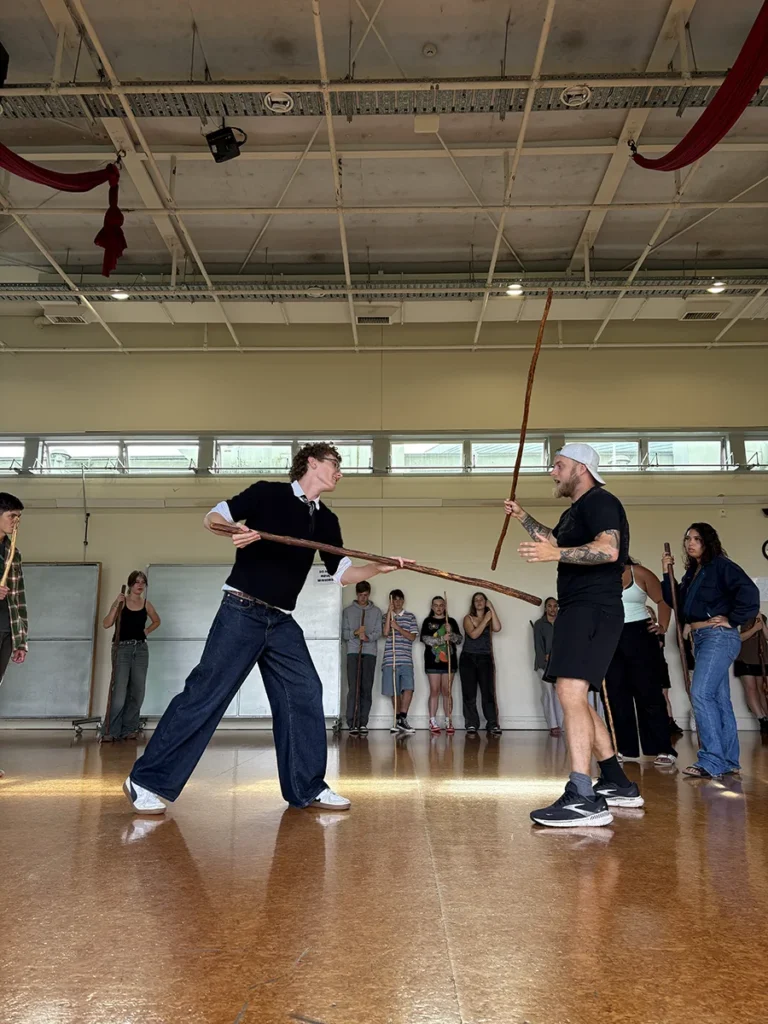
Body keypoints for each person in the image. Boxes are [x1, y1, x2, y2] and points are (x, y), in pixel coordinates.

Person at [123, 443, 409, 815]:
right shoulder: (267, 494)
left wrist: (377, 569)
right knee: (206, 694)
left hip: (280, 621)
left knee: (305, 690)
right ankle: (145, 780)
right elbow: (212, 517)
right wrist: (233, 530)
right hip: (241, 611)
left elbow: (342, 573)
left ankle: (306, 787)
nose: (340, 472)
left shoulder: (326, 520)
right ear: (311, 463)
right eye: (335, 464)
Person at [508, 443, 641, 828]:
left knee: (569, 692)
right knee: (574, 696)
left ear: (581, 468)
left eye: (558, 465)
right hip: (578, 609)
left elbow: (608, 550)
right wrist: (522, 517)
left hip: (593, 607)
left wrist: (555, 556)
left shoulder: (601, 501)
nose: (552, 472)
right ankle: (616, 782)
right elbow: (553, 541)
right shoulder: (575, 512)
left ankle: (582, 795)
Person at [662, 523, 760, 779]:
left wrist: (732, 619)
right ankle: (728, 760)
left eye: (697, 539)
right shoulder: (693, 573)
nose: (690, 543)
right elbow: (677, 603)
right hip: (702, 639)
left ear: (708, 542)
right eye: (687, 539)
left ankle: (711, 761)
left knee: (701, 693)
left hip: (718, 637)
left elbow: (749, 593)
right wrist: (666, 574)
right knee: (717, 698)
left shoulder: (721, 566)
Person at [604, 558, 677, 767]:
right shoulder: (598, 576)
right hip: (609, 636)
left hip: (639, 634)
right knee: (616, 694)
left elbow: (663, 600)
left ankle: (663, 748)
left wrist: (662, 626)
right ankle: (623, 748)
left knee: (649, 692)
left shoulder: (639, 573)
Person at [102, 571, 161, 741]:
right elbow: (106, 623)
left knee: (138, 691)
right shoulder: (121, 602)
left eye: (143, 582)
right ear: (130, 584)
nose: (140, 585)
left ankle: (129, 728)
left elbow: (157, 620)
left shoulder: (146, 604)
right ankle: (110, 731)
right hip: (122, 649)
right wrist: (116, 604)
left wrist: (146, 631)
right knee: (119, 692)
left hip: (140, 649)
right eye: (136, 582)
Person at [0, 493, 27, 780]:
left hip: (7, 629)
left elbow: (19, 597)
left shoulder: (13, 551)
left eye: (18, 517)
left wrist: (21, 639)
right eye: (12, 516)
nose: (16, 522)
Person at [341, 581, 382, 735]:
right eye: (360, 595)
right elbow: (344, 634)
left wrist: (367, 637)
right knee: (354, 688)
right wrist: (355, 633)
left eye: (365, 595)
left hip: (370, 653)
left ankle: (363, 723)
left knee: (366, 688)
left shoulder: (376, 611)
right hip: (353, 652)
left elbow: (378, 632)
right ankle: (352, 722)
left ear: (369, 594)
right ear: (356, 594)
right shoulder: (348, 611)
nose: (363, 598)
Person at [460, 592, 502, 736]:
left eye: (482, 599)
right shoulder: (468, 618)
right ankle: (471, 723)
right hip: (468, 658)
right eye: (476, 600)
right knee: (469, 693)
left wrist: (492, 609)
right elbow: (473, 635)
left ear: (486, 602)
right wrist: (485, 619)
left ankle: (492, 723)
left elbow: (497, 628)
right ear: (473, 603)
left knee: (488, 692)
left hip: (485, 657)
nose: (479, 602)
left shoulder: (490, 617)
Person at [421, 596, 462, 735]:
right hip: (432, 661)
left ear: (445, 607)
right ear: (432, 607)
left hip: (449, 662)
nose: (439, 607)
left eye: (441, 605)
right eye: (436, 605)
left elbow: (459, 640)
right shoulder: (428, 621)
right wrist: (442, 639)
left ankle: (448, 720)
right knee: (434, 690)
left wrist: (451, 633)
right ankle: (432, 721)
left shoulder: (451, 621)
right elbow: (425, 639)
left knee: (447, 691)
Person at [382, 588, 419, 735]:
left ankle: (402, 717)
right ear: (390, 601)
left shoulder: (410, 617)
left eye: (399, 599)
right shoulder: (386, 616)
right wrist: (389, 614)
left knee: (408, 688)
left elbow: (412, 637)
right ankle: (398, 720)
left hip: (405, 658)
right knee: (394, 690)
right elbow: (385, 633)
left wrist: (397, 627)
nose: (397, 602)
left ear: (403, 600)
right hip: (390, 659)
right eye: (394, 600)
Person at [646, 605, 683, 736]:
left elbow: (659, 645)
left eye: (650, 614)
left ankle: (669, 721)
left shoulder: (658, 630)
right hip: (648, 667)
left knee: (663, 695)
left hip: (659, 666)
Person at [532, 597, 563, 736]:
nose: (552, 609)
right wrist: (545, 662)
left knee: (559, 694)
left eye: (555, 606)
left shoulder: (562, 623)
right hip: (543, 665)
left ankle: (560, 723)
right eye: (549, 606)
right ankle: (552, 725)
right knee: (548, 693)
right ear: (545, 608)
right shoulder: (539, 624)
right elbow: (538, 647)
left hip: (560, 664)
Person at [734, 613, 768, 735]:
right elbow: (736, 638)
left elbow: (767, 636)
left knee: (761, 689)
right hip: (743, 657)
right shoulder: (737, 616)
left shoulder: (761, 617)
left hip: (760, 658)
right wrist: (754, 629)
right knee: (750, 688)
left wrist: (761, 621)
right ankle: (762, 719)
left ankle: (766, 718)